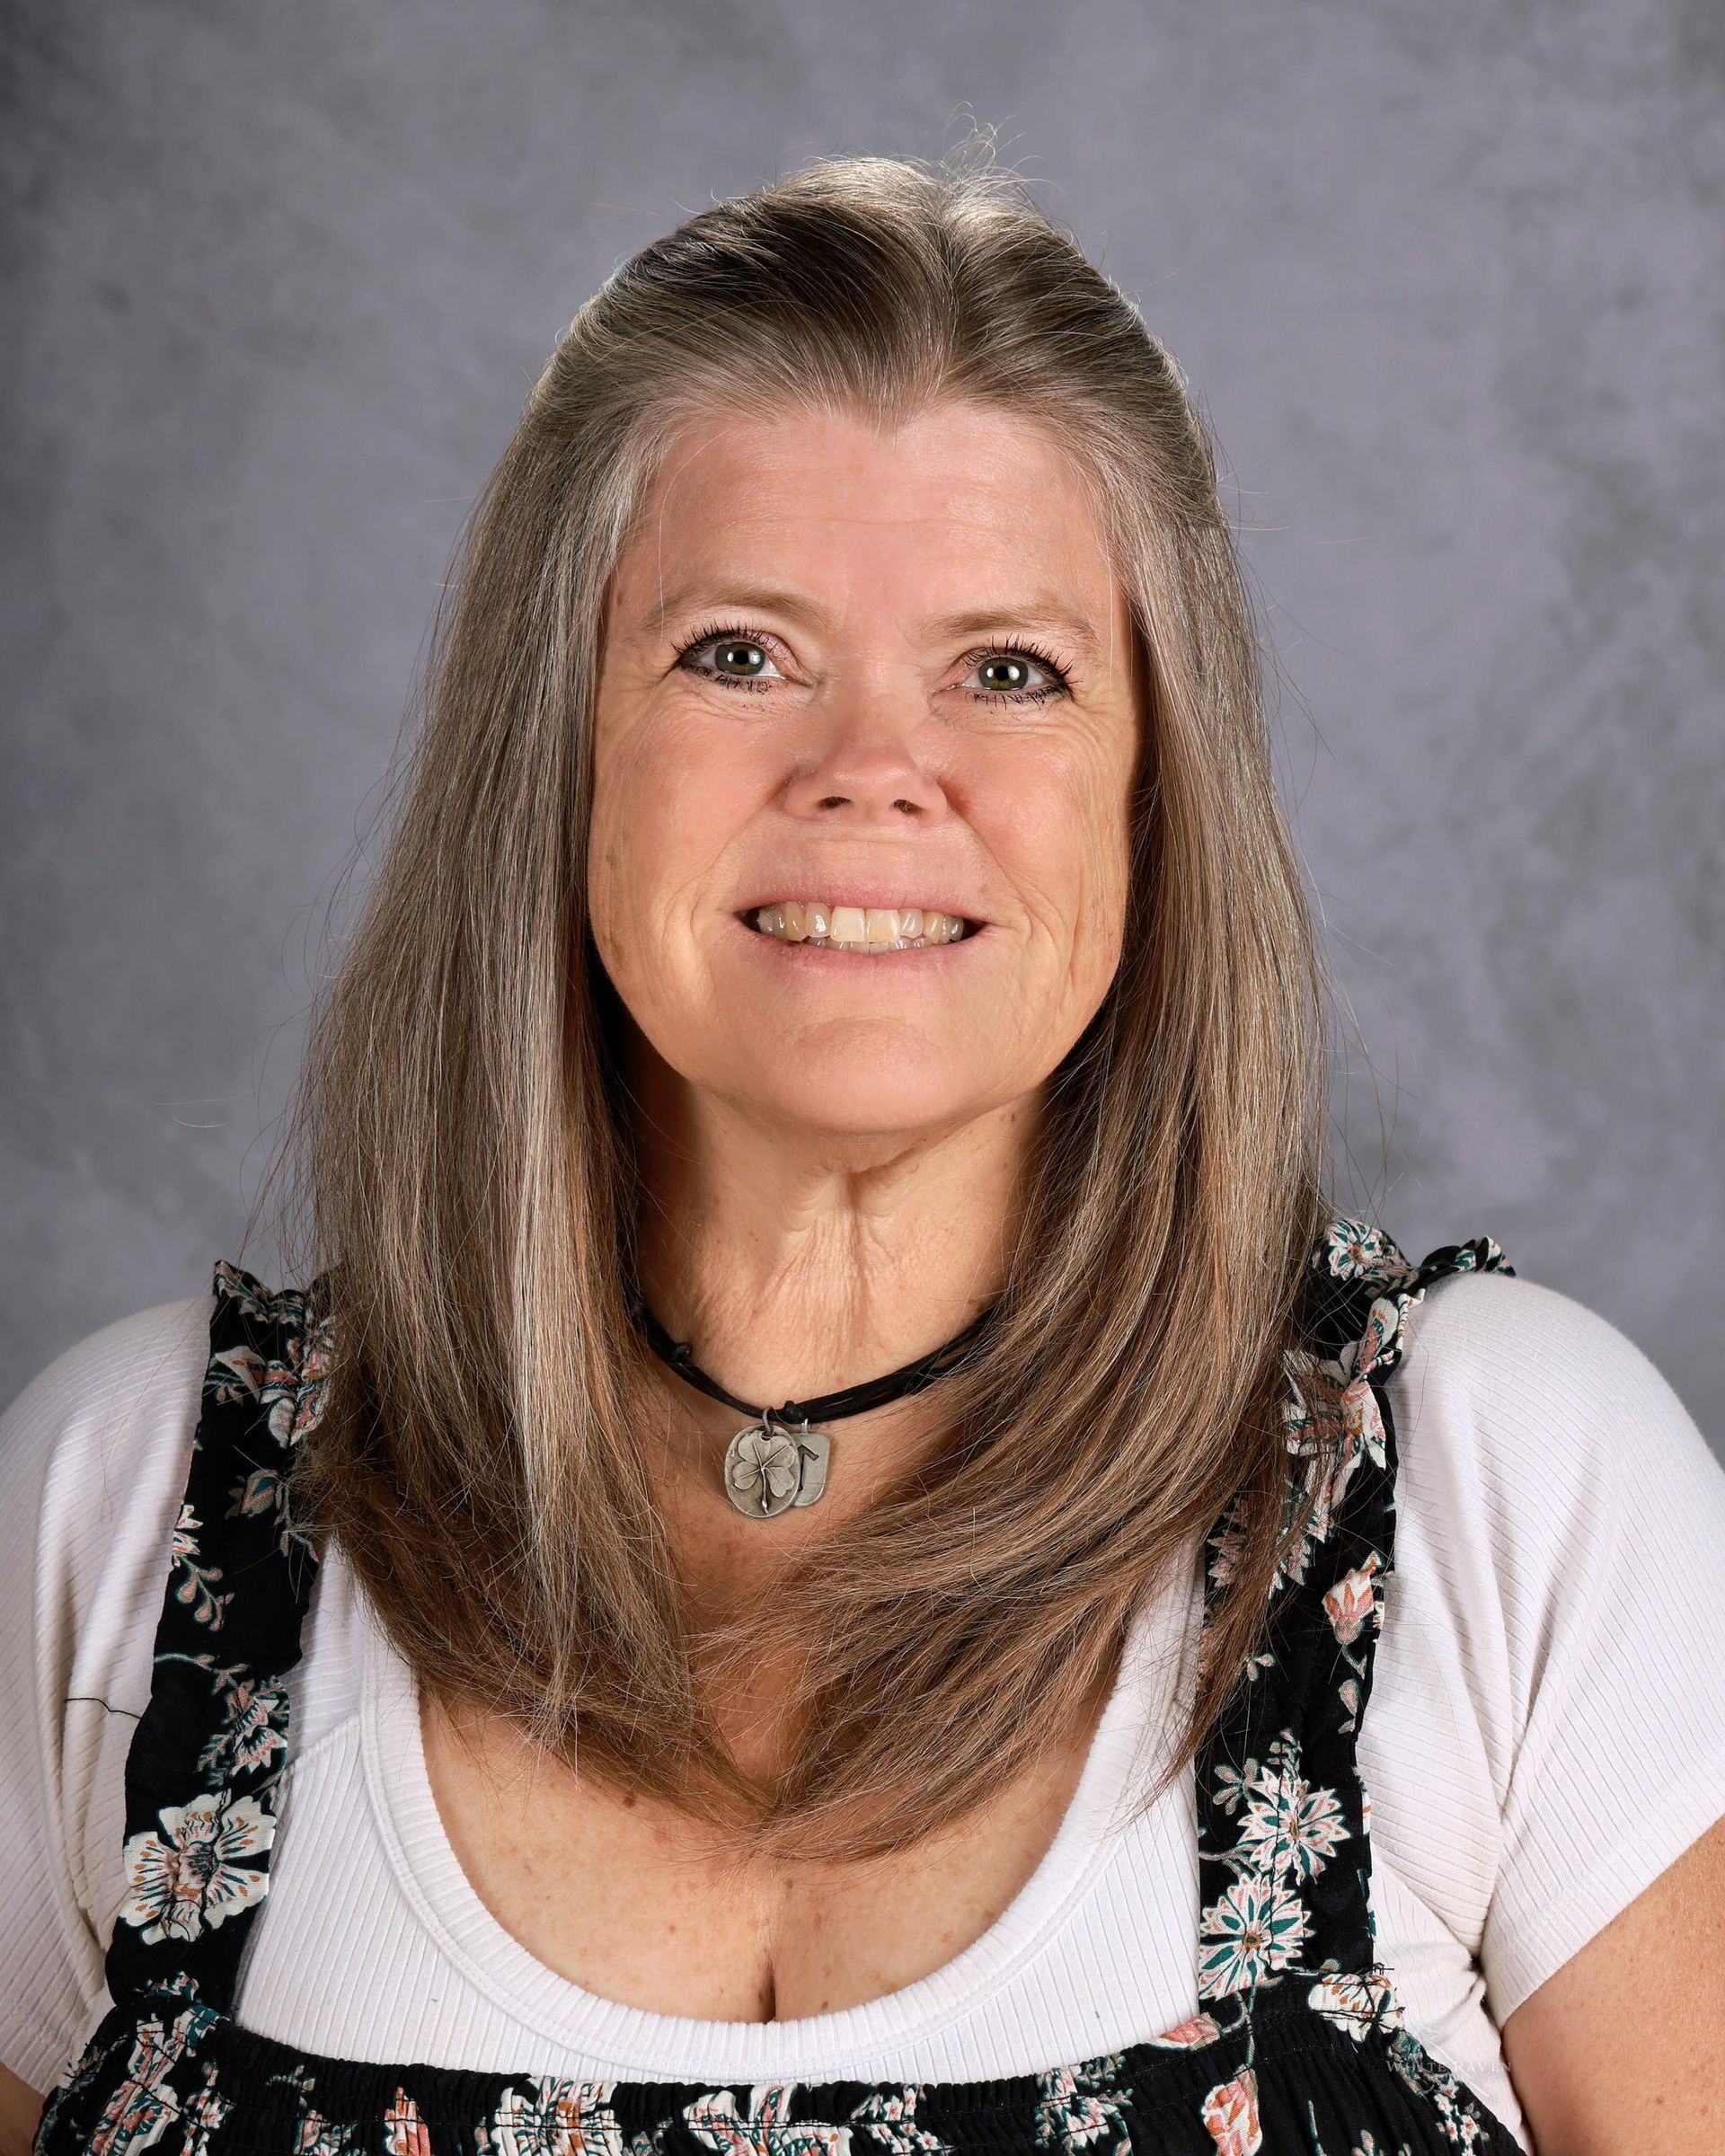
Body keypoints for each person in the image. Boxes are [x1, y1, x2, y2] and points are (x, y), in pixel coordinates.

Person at [2, 148, 1722, 2156]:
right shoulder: (128, 1513)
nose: (870, 774)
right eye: (739, 653)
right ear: (553, 751)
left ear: (1156, 793)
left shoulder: (1496, 1492)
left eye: (1012, 671)